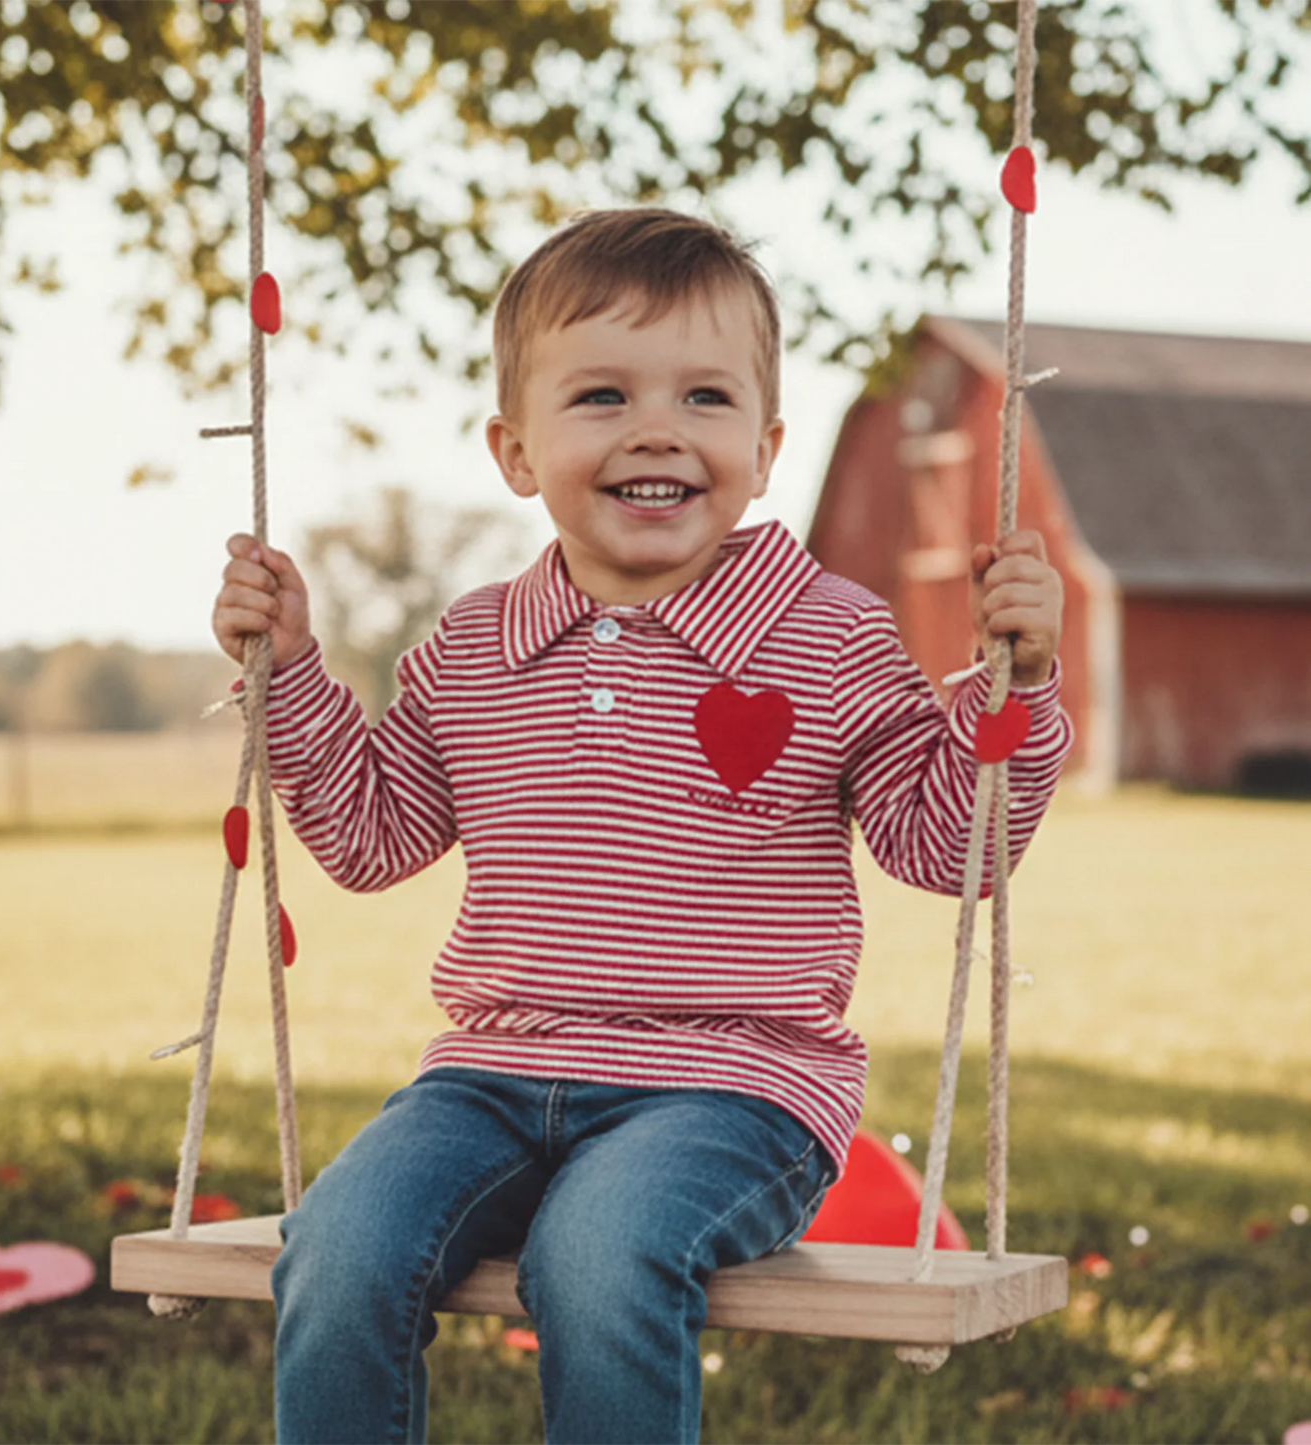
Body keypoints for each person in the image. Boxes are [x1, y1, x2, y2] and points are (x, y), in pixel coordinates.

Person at [210, 207, 1072, 1445]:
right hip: (487, 1077)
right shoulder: (475, 645)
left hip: (734, 1089)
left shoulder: (828, 634)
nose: (656, 429)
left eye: (704, 397)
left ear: (764, 448)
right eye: (602, 395)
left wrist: (1013, 690)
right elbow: (369, 835)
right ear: (516, 451)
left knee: (600, 1252)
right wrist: (289, 671)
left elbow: (946, 851)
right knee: (337, 1249)